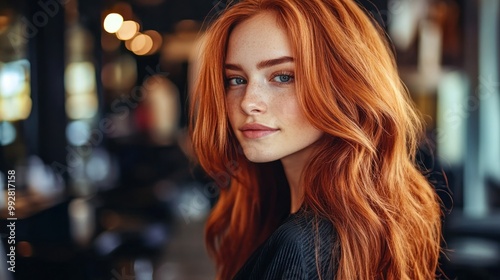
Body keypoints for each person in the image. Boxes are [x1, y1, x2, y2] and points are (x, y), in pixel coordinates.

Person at [189, 0, 443, 279]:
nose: (248, 102)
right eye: (235, 80)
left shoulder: (296, 247)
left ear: (343, 85)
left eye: (283, 76)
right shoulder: (364, 223)